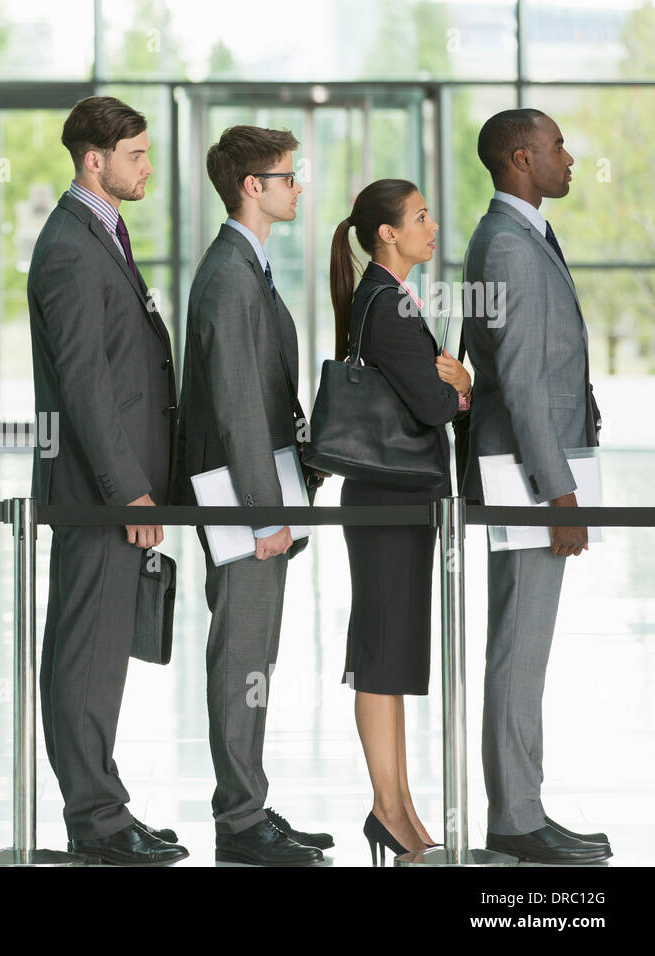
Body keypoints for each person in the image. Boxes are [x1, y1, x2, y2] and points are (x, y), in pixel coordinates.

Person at [28, 95, 186, 866]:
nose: (146, 167)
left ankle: (105, 807)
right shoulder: (69, 246)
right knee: (86, 653)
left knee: (101, 654)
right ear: (95, 159)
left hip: (114, 488)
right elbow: (87, 383)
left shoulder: (102, 236)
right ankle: (94, 820)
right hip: (99, 495)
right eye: (136, 155)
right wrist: (129, 489)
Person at [171, 125, 333, 866]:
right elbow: (236, 405)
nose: (296, 187)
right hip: (242, 503)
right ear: (251, 188)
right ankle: (239, 823)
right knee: (242, 654)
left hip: (258, 492)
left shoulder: (249, 266)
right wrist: (264, 515)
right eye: (286, 177)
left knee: (255, 655)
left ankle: (251, 806)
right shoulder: (231, 273)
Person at [462, 109, 610, 864]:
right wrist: (558, 493)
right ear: (521, 158)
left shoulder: (521, 237)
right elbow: (518, 382)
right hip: (526, 476)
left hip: (534, 468)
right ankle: (515, 818)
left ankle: (526, 805)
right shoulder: (510, 246)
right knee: (519, 646)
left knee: (526, 645)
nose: (569, 157)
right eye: (557, 146)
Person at [327, 179, 471, 865]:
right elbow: (436, 402)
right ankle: (389, 810)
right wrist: (461, 384)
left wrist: (450, 381)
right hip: (388, 499)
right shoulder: (386, 305)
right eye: (418, 217)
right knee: (383, 656)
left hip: (394, 498)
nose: (430, 225)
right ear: (386, 233)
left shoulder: (387, 299)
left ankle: (402, 809)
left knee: (393, 653)